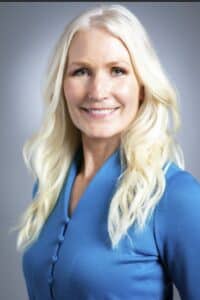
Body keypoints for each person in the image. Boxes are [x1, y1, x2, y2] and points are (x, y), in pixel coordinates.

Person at [13, 3, 200, 300]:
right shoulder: (49, 184)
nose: (98, 91)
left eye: (117, 71)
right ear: (62, 85)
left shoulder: (174, 195)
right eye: (81, 71)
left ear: (142, 86)